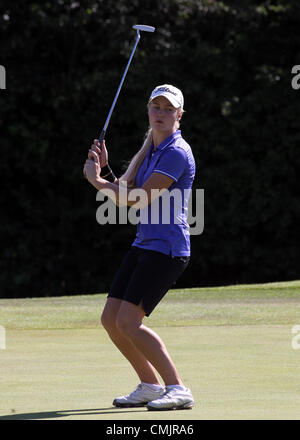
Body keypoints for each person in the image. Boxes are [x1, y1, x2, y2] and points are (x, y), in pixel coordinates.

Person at [83, 84, 195, 411]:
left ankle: (177, 388)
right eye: (155, 107)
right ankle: (149, 384)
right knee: (111, 319)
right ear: (148, 110)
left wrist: (97, 182)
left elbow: (140, 199)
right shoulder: (151, 149)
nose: (160, 113)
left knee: (129, 322)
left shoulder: (176, 152)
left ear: (179, 115)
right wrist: (104, 171)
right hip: (145, 244)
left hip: (168, 250)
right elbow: (128, 191)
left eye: (167, 108)